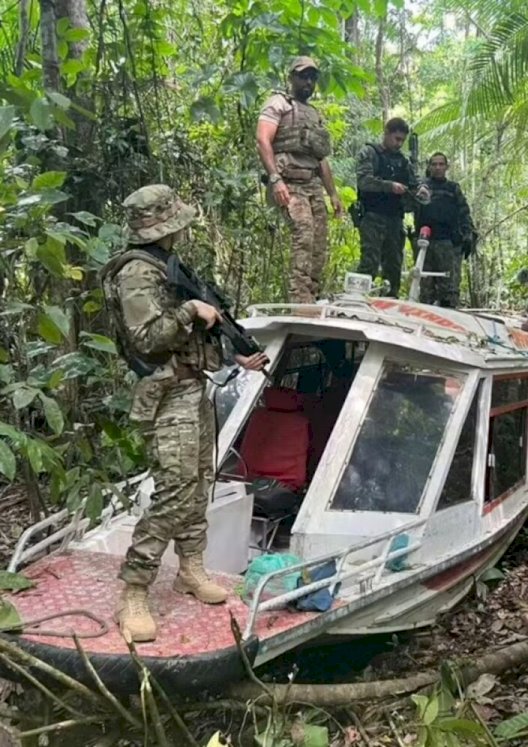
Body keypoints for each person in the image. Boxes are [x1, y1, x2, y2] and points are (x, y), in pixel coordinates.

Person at [101, 184, 267, 642]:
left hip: (192, 386)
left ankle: (190, 568)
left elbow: (187, 340)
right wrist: (191, 310)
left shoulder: (165, 266)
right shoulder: (136, 272)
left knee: (199, 482)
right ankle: (135, 588)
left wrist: (231, 354)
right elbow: (148, 340)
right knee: (175, 489)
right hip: (166, 395)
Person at [256, 56, 343, 304]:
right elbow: (263, 140)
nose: (308, 82)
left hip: (312, 185)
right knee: (303, 236)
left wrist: (333, 194)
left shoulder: (314, 114)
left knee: (319, 243)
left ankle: (311, 297)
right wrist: (275, 179)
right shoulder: (278, 103)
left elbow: (322, 159)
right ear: (291, 77)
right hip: (289, 183)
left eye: (313, 77)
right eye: (303, 76)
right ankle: (299, 300)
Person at [355, 118, 430, 297]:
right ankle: (357, 299)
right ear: (386, 133)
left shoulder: (403, 161)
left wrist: (422, 189)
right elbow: (364, 181)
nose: (399, 144)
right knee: (369, 262)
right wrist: (390, 186)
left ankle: (390, 299)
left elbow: (415, 181)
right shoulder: (370, 152)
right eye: (396, 139)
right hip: (373, 216)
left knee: (394, 264)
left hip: (395, 219)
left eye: (402, 141)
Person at [414, 152, 476, 308]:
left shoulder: (453, 188)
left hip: (448, 242)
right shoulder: (423, 186)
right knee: (425, 288)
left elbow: (464, 212)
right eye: (434, 164)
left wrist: (467, 235)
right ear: (429, 166)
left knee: (449, 288)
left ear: (446, 167)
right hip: (425, 242)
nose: (438, 167)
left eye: (441, 164)